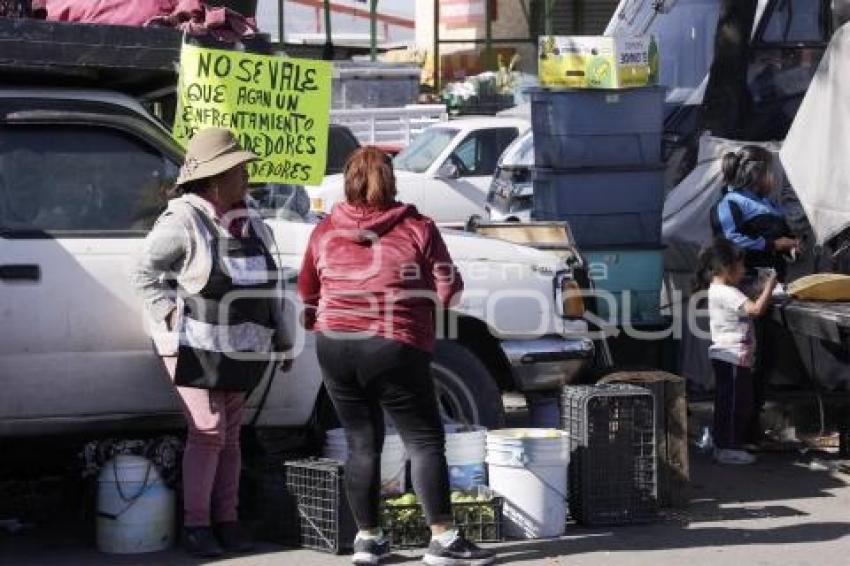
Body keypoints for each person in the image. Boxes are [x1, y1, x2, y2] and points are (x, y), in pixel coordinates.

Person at [298, 147, 495, 566]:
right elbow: (449, 293)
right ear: (391, 180)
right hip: (392, 344)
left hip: (334, 344)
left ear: (348, 180)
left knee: (361, 444)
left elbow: (308, 293)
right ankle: (443, 541)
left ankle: (368, 541)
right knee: (424, 440)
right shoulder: (418, 227)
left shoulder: (326, 229)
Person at [132, 128, 292, 557]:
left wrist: (284, 336)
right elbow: (145, 274)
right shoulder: (182, 220)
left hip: (240, 346)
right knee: (207, 433)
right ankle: (196, 526)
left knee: (232, 435)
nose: (246, 177)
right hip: (190, 345)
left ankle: (228, 519)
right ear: (216, 177)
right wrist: (168, 313)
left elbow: (272, 286)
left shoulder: (251, 219)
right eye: (240, 170)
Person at [695, 238, 777, 465]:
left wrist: (760, 289)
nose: (743, 270)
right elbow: (756, 309)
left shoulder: (721, 289)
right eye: (740, 266)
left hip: (731, 357)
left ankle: (726, 443)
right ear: (726, 267)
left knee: (732, 402)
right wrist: (770, 286)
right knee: (734, 405)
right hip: (731, 356)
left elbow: (748, 303)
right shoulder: (727, 292)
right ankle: (727, 447)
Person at [710, 145, 801, 282]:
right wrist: (773, 244)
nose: (774, 176)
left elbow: (779, 236)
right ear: (756, 172)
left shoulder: (767, 203)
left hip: (774, 281)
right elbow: (730, 239)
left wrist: (791, 246)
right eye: (770, 171)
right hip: (744, 282)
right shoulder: (729, 202)